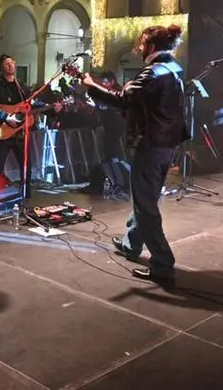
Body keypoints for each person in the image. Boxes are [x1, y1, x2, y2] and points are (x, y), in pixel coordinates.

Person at [80, 24, 188, 285]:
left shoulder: (153, 72)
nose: (138, 47)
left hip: (150, 145)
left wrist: (91, 86)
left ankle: (162, 263)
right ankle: (131, 245)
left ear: (151, 46)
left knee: (145, 205)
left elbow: (122, 99)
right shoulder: (174, 67)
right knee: (146, 198)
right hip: (167, 144)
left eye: (141, 43)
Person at [0, 54, 33, 198]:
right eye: (6, 63)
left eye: (12, 62)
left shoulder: (22, 86)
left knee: (26, 166)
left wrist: (52, 108)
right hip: (3, 133)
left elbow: (31, 104)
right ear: (1, 68)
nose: (11, 65)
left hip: (20, 133)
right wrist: (5, 117)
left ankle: (25, 195)